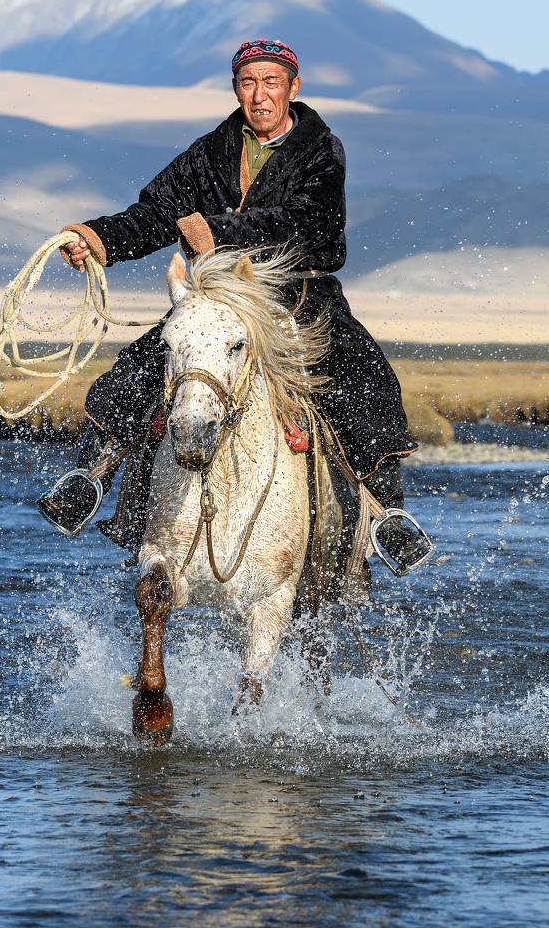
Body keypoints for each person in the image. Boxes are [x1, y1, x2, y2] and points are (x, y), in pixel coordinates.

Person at [38, 38, 431, 575]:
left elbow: (306, 225)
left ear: (294, 88)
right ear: (236, 90)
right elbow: (155, 214)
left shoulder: (322, 150)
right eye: (248, 84)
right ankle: (91, 475)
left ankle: (389, 513)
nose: (260, 95)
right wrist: (96, 239)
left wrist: (216, 232)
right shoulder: (211, 151)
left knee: (367, 375)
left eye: (271, 83)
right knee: (144, 364)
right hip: (220, 294)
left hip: (299, 292)